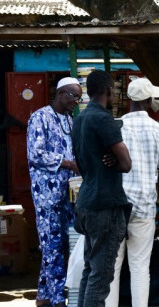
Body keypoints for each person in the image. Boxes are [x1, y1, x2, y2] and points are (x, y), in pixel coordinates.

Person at [105, 78, 159, 307]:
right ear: (148, 100)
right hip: (144, 207)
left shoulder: (116, 127)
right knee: (140, 267)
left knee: (111, 268)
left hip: (116, 205)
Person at [71, 70, 132, 307]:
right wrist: (117, 162)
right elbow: (126, 164)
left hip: (87, 200)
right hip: (106, 204)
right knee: (102, 274)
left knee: (91, 269)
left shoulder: (80, 119)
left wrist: (112, 160)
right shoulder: (104, 119)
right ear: (109, 90)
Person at [27, 77, 82, 307]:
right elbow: (36, 154)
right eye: (73, 96)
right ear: (60, 94)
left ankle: (44, 296)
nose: (76, 102)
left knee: (61, 244)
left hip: (67, 192)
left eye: (79, 98)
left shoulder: (69, 120)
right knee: (52, 245)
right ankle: (59, 300)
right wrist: (68, 164)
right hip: (46, 193)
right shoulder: (40, 117)